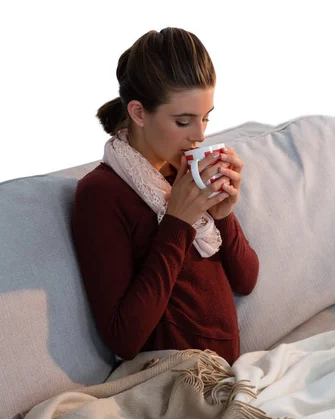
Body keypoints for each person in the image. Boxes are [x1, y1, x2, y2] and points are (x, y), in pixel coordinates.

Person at [71, 27, 259, 366]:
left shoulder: (186, 172)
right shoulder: (101, 194)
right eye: (184, 121)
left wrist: (224, 215)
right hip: (173, 380)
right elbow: (124, 338)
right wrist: (176, 224)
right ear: (140, 113)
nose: (200, 135)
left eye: (205, 118)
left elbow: (246, 280)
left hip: (225, 376)